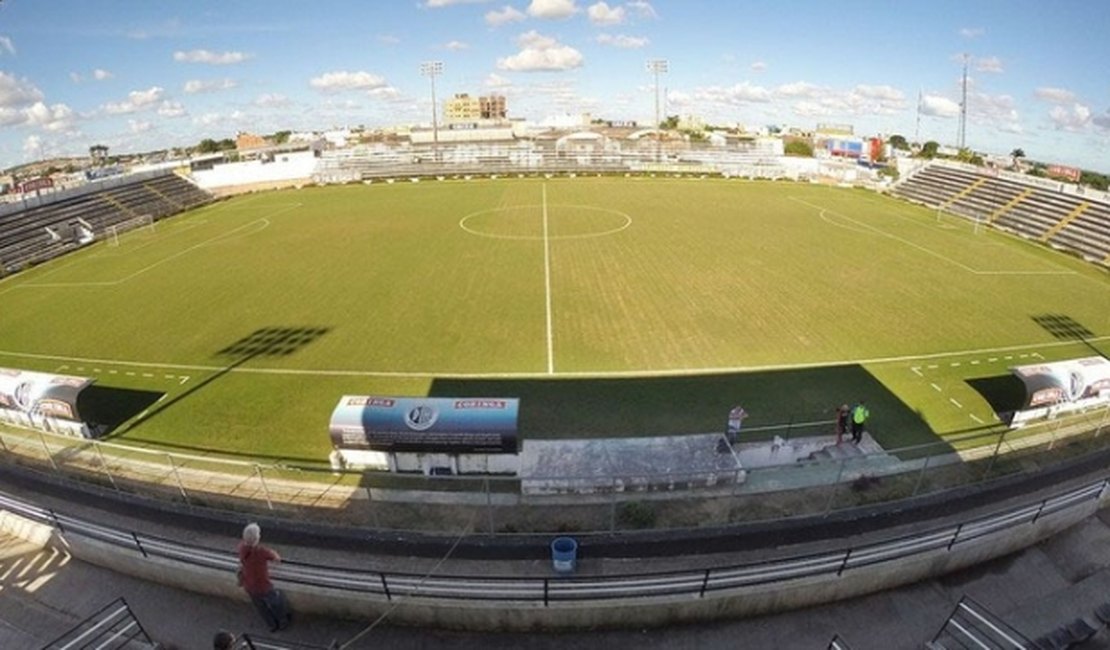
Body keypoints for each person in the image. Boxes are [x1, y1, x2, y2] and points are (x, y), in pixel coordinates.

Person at [238, 522, 292, 632]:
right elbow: (276, 557)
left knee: (261, 607)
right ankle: (282, 621)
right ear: (257, 538)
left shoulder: (241, 548)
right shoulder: (261, 552)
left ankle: (271, 625)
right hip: (263, 585)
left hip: (249, 585)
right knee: (276, 602)